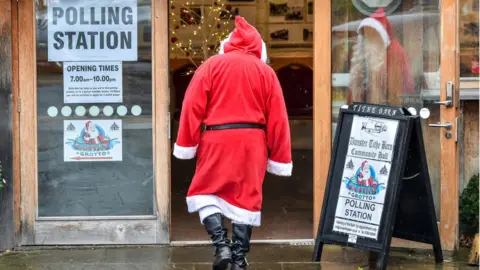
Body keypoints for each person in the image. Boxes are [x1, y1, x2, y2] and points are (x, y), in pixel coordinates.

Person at [172, 16, 292, 270]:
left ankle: (221, 245)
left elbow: (191, 107)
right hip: (252, 143)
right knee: (246, 198)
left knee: (203, 191)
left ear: (228, 44)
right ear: (259, 49)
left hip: (216, 138)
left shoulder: (211, 65)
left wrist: (187, 143)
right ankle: (238, 259)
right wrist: (279, 156)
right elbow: (279, 118)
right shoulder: (266, 72)